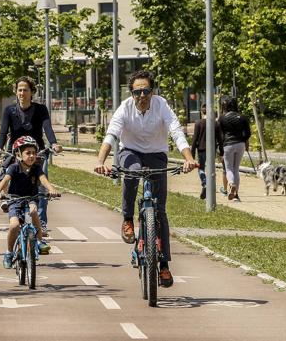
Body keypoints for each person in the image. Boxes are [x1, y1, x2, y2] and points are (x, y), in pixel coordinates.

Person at [93, 70, 198, 288]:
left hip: (156, 155)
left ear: (153, 91)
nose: (142, 95)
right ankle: (128, 220)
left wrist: (188, 159)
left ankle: (165, 265)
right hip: (129, 151)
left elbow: (176, 132)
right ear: (131, 93)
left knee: (160, 211)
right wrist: (101, 161)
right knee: (132, 172)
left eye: (146, 91)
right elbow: (111, 135)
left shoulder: (161, 105)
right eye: (137, 91)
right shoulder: (125, 108)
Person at [0, 76, 62, 235]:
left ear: (32, 92)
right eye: (19, 90)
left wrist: (53, 143)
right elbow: (3, 132)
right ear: (16, 92)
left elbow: (47, 128)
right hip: (15, 152)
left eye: (25, 90)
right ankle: (10, 203)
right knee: (5, 173)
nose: (22, 93)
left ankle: (42, 224)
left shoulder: (40, 109)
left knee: (41, 188)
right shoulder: (9, 111)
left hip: (36, 153)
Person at [0, 136, 60, 269]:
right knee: (14, 225)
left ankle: (40, 242)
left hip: (31, 198)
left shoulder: (36, 168)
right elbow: (5, 180)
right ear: (18, 154)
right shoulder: (13, 168)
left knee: (34, 211)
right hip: (14, 200)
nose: (32, 156)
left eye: (34, 153)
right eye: (28, 153)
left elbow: (43, 180)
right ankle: (9, 253)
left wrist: (52, 189)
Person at [217, 96, 251, 202]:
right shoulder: (242, 117)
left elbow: (220, 134)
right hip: (240, 144)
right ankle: (236, 195)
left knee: (229, 169)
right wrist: (243, 140)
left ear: (225, 106)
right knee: (236, 169)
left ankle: (231, 184)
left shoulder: (222, 118)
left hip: (228, 144)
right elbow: (248, 133)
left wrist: (220, 149)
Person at [191, 103, 224, 199]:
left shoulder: (198, 123)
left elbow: (194, 140)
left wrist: (192, 155)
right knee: (211, 169)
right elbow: (220, 139)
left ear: (202, 111)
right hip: (212, 150)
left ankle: (205, 183)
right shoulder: (216, 124)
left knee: (201, 168)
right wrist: (221, 152)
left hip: (201, 150)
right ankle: (210, 186)